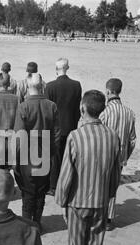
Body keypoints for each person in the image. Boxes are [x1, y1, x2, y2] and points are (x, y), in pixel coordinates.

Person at [52, 90, 121, 245]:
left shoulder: (75, 136)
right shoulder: (112, 136)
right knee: (94, 243)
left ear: (83, 109)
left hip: (78, 202)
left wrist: (61, 201)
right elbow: (115, 174)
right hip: (100, 201)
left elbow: (66, 174)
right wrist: (108, 195)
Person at [14, 74, 61, 231]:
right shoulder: (52, 106)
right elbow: (56, 133)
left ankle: (28, 226)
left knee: (28, 193)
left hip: (27, 155)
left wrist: (16, 160)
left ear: (28, 87)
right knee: (41, 192)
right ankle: (37, 223)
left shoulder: (24, 106)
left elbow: (19, 136)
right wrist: (51, 153)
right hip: (45, 153)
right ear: (42, 86)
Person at [100, 79, 136, 231]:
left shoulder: (104, 112)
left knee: (100, 186)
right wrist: (125, 156)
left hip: (103, 157)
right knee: (112, 188)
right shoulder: (129, 113)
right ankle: (108, 219)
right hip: (119, 158)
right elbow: (133, 139)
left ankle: (99, 216)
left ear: (108, 92)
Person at [45, 58, 82, 196]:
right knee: (68, 157)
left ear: (56, 69)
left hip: (55, 127)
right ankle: (67, 182)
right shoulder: (76, 85)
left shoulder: (50, 86)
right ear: (68, 68)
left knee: (55, 158)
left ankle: (54, 186)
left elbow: (48, 110)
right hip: (71, 125)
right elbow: (77, 109)